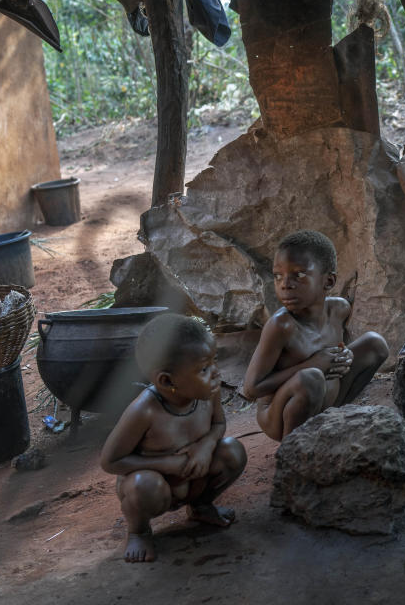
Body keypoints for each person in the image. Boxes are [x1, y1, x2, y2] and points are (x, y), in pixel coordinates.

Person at [100, 313, 246, 563]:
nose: (215, 372)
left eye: (214, 360)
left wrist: (206, 444)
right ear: (167, 381)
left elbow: (219, 424)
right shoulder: (144, 411)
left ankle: (201, 506)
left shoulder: (208, 391)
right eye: (203, 368)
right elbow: (111, 461)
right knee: (142, 485)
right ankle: (139, 531)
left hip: (194, 480)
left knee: (233, 451)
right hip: (156, 489)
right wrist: (167, 463)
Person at [239, 230, 389, 441]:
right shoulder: (281, 326)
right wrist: (313, 364)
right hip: (278, 415)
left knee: (375, 344)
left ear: (328, 282)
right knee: (311, 377)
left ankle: (334, 417)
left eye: (298, 274)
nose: (285, 284)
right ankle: (294, 448)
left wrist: (343, 356)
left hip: (326, 397)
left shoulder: (339, 309)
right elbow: (251, 388)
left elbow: (335, 350)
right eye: (278, 276)